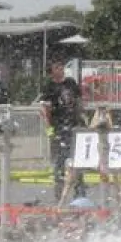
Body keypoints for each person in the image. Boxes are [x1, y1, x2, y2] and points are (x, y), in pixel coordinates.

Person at [38, 61, 87, 201]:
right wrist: (49, 130)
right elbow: (45, 110)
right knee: (61, 159)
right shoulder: (49, 87)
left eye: (61, 67)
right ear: (51, 72)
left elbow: (79, 102)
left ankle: (80, 191)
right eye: (57, 67)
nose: (61, 69)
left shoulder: (70, 83)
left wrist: (82, 118)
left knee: (77, 158)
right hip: (60, 127)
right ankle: (59, 193)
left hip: (74, 126)